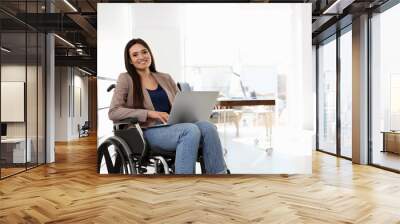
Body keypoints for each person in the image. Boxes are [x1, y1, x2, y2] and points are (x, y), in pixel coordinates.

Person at [108, 38, 227, 174]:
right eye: (135, 55)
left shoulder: (165, 77)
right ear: (130, 60)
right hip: (145, 131)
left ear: (150, 54)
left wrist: (200, 108)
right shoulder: (126, 78)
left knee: (208, 127)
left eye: (144, 52)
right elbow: (114, 112)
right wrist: (150, 113)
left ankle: (219, 176)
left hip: (173, 126)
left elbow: (181, 104)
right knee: (189, 130)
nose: (141, 57)